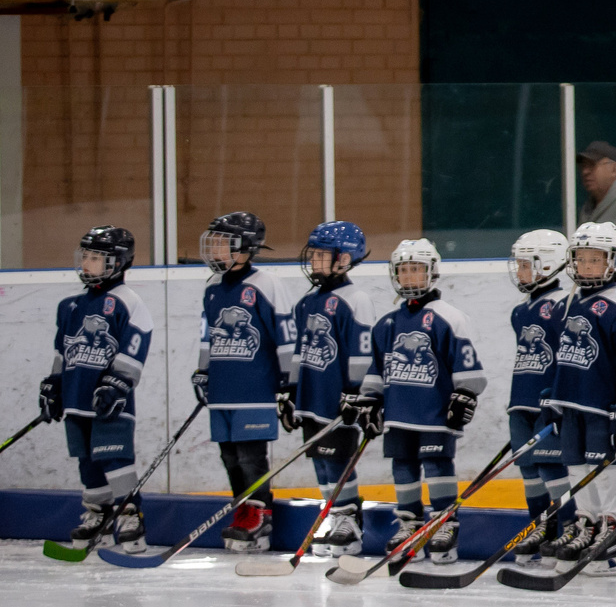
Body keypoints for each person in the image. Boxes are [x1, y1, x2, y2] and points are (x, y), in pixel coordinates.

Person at [350, 241, 485, 564]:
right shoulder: (386, 323)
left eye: (417, 269)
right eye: (404, 270)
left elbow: (470, 368)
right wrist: (370, 400)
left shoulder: (449, 318)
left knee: (438, 465)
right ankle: (409, 523)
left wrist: (464, 394)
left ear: (432, 272)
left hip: (435, 413)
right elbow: (377, 369)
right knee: (403, 466)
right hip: (399, 413)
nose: (410, 276)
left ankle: (443, 522)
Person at [190, 212, 298, 553]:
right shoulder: (211, 287)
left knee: (252, 458)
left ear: (245, 247)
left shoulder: (267, 285)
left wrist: (288, 384)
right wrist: (203, 370)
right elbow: (207, 336)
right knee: (230, 458)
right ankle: (243, 510)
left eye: (224, 242)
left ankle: (260, 513)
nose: (216, 249)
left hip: (256, 389)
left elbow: (286, 337)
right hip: (223, 389)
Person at [47, 225, 157, 555]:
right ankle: (98, 514)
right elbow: (62, 351)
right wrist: (54, 385)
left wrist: (118, 382)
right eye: (86, 256)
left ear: (117, 263)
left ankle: (129, 514)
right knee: (87, 461)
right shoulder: (70, 305)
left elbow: (135, 347)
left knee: (115, 458)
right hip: (77, 399)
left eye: (96, 258)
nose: (87, 264)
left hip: (111, 402)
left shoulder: (129, 302)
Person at [543, 222, 616, 566]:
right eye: (581, 259)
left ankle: (613, 528)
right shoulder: (567, 303)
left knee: (605, 467)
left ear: (613, 261)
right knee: (575, 465)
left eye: (595, 259)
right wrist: (554, 397)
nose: (587, 266)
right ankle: (587, 521)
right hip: (572, 402)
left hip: (605, 407)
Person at [288, 220, 376, 560]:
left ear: (344, 259)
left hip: (338, 399)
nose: (314, 261)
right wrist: (290, 391)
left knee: (338, 460)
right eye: (314, 254)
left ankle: (349, 520)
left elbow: (362, 351)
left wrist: (356, 393)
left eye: (322, 255)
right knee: (320, 462)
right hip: (312, 396)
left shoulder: (356, 299)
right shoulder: (307, 302)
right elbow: (299, 351)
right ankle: (331, 513)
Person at [501, 229, 573, 563]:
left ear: (549, 265)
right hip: (521, 400)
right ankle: (540, 525)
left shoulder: (564, 305)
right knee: (528, 468)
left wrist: (559, 398)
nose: (519, 272)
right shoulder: (520, 311)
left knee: (551, 466)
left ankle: (566, 526)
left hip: (548, 402)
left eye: (526, 265)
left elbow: (568, 358)